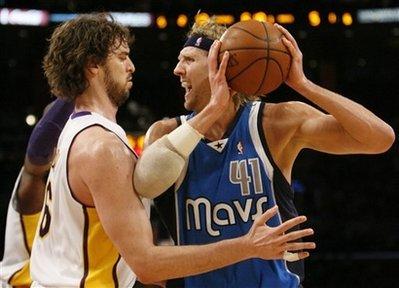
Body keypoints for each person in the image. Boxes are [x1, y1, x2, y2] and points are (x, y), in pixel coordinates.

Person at [29, 13, 315, 287]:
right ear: (93, 65)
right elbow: (147, 264)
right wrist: (248, 246)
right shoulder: (103, 146)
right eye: (122, 57)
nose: (131, 67)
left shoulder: (72, 132)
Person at [135, 18, 395, 287]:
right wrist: (213, 107)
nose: (177, 70)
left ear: (221, 63)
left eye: (188, 59)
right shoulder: (165, 135)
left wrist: (304, 85)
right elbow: (144, 198)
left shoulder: (275, 123)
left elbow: (379, 139)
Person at [0, 99, 74, 287]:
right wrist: (79, 85)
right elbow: (39, 151)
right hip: (20, 283)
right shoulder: (34, 179)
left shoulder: (74, 177)